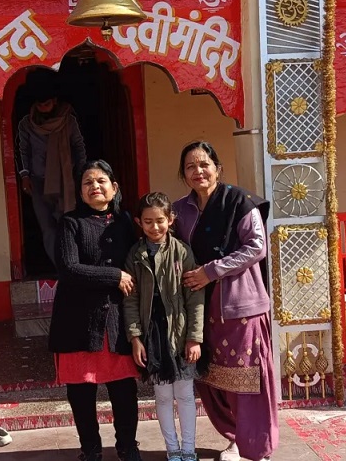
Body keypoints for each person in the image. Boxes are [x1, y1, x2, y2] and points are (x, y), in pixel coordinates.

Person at [172, 141, 278, 461]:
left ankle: (254, 446)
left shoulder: (238, 202)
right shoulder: (180, 210)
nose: (198, 171)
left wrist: (211, 271)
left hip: (239, 306)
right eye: (190, 166)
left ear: (217, 168)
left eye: (204, 164)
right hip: (200, 308)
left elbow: (255, 247)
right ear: (184, 174)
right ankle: (235, 436)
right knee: (212, 380)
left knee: (245, 379)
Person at [48, 160, 142, 461]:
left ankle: (127, 445)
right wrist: (114, 277)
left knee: (124, 391)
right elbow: (69, 268)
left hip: (117, 319)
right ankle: (90, 449)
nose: (95, 187)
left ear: (114, 188)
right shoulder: (70, 223)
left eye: (101, 181)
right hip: (77, 321)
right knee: (81, 392)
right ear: (81, 191)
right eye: (88, 182)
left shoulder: (126, 222)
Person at [123, 192, 204, 461]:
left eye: (160, 221)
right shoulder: (135, 255)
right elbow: (131, 299)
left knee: (185, 394)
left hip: (179, 332)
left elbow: (195, 297)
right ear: (139, 222)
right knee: (162, 396)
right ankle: (173, 450)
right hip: (153, 333)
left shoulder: (182, 251)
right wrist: (135, 337)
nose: (154, 227)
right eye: (148, 222)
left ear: (171, 220)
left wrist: (194, 337)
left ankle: (189, 450)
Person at [17, 68, 87, 266]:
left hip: (67, 182)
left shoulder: (68, 120)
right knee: (47, 228)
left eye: (47, 104)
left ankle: (73, 265)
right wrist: (25, 176)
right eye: (39, 104)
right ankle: (59, 268)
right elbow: (23, 151)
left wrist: (82, 175)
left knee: (68, 224)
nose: (43, 108)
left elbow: (79, 148)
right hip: (38, 183)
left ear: (55, 101)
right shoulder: (26, 124)